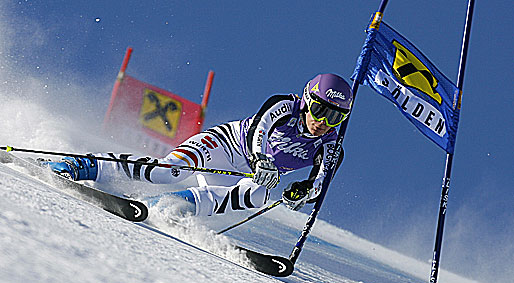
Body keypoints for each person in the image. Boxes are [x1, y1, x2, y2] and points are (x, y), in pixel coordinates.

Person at [44, 73, 353, 217]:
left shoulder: (329, 146)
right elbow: (260, 128)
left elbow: (317, 188)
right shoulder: (286, 106)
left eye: (336, 117)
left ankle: (166, 207)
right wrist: (262, 161)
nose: (324, 121)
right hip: (225, 146)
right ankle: (81, 164)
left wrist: (299, 193)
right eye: (320, 110)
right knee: (167, 171)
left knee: (258, 195)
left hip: (243, 175)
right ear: (307, 100)